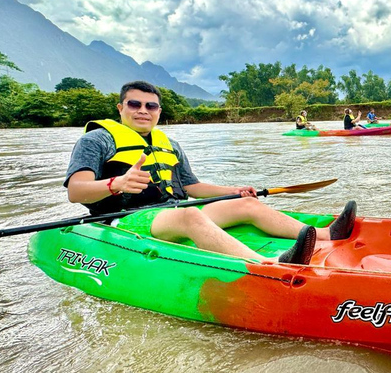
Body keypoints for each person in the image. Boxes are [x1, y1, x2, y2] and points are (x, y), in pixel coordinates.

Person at [65, 81, 357, 265]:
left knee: (245, 204)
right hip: (127, 220)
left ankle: (326, 234)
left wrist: (234, 190)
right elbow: (75, 191)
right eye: (135, 104)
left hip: (172, 212)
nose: (143, 110)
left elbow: (192, 186)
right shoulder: (97, 140)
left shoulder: (170, 144)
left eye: (151, 105)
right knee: (190, 215)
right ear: (120, 107)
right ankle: (267, 264)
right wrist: (118, 183)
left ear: (159, 110)